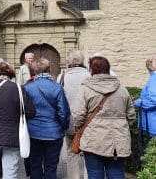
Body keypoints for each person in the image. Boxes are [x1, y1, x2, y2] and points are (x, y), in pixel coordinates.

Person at [73, 56, 136, 179]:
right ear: (108, 69)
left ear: (91, 70)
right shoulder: (122, 89)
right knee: (117, 174)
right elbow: (132, 116)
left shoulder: (86, 88)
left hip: (93, 140)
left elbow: (78, 116)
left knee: (95, 175)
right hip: (118, 141)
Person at [24, 58, 71, 179]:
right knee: (51, 166)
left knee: (35, 165)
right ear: (49, 69)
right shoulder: (57, 87)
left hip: (33, 132)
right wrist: (62, 127)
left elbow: (24, 110)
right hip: (53, 133)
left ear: (34, 70)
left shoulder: (28, 87)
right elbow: (64, 113)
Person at [56, 50, 90, 179]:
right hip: (87, 122)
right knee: (88, 153)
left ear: (69, 61)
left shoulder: (62, 77)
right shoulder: (90, 75)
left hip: (70, 121)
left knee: (71, 152)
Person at [134, 57, 156, 136]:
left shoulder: (154, 78)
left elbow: (153, 100)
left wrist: (140, 102)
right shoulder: (153, 77)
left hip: (152, 124)